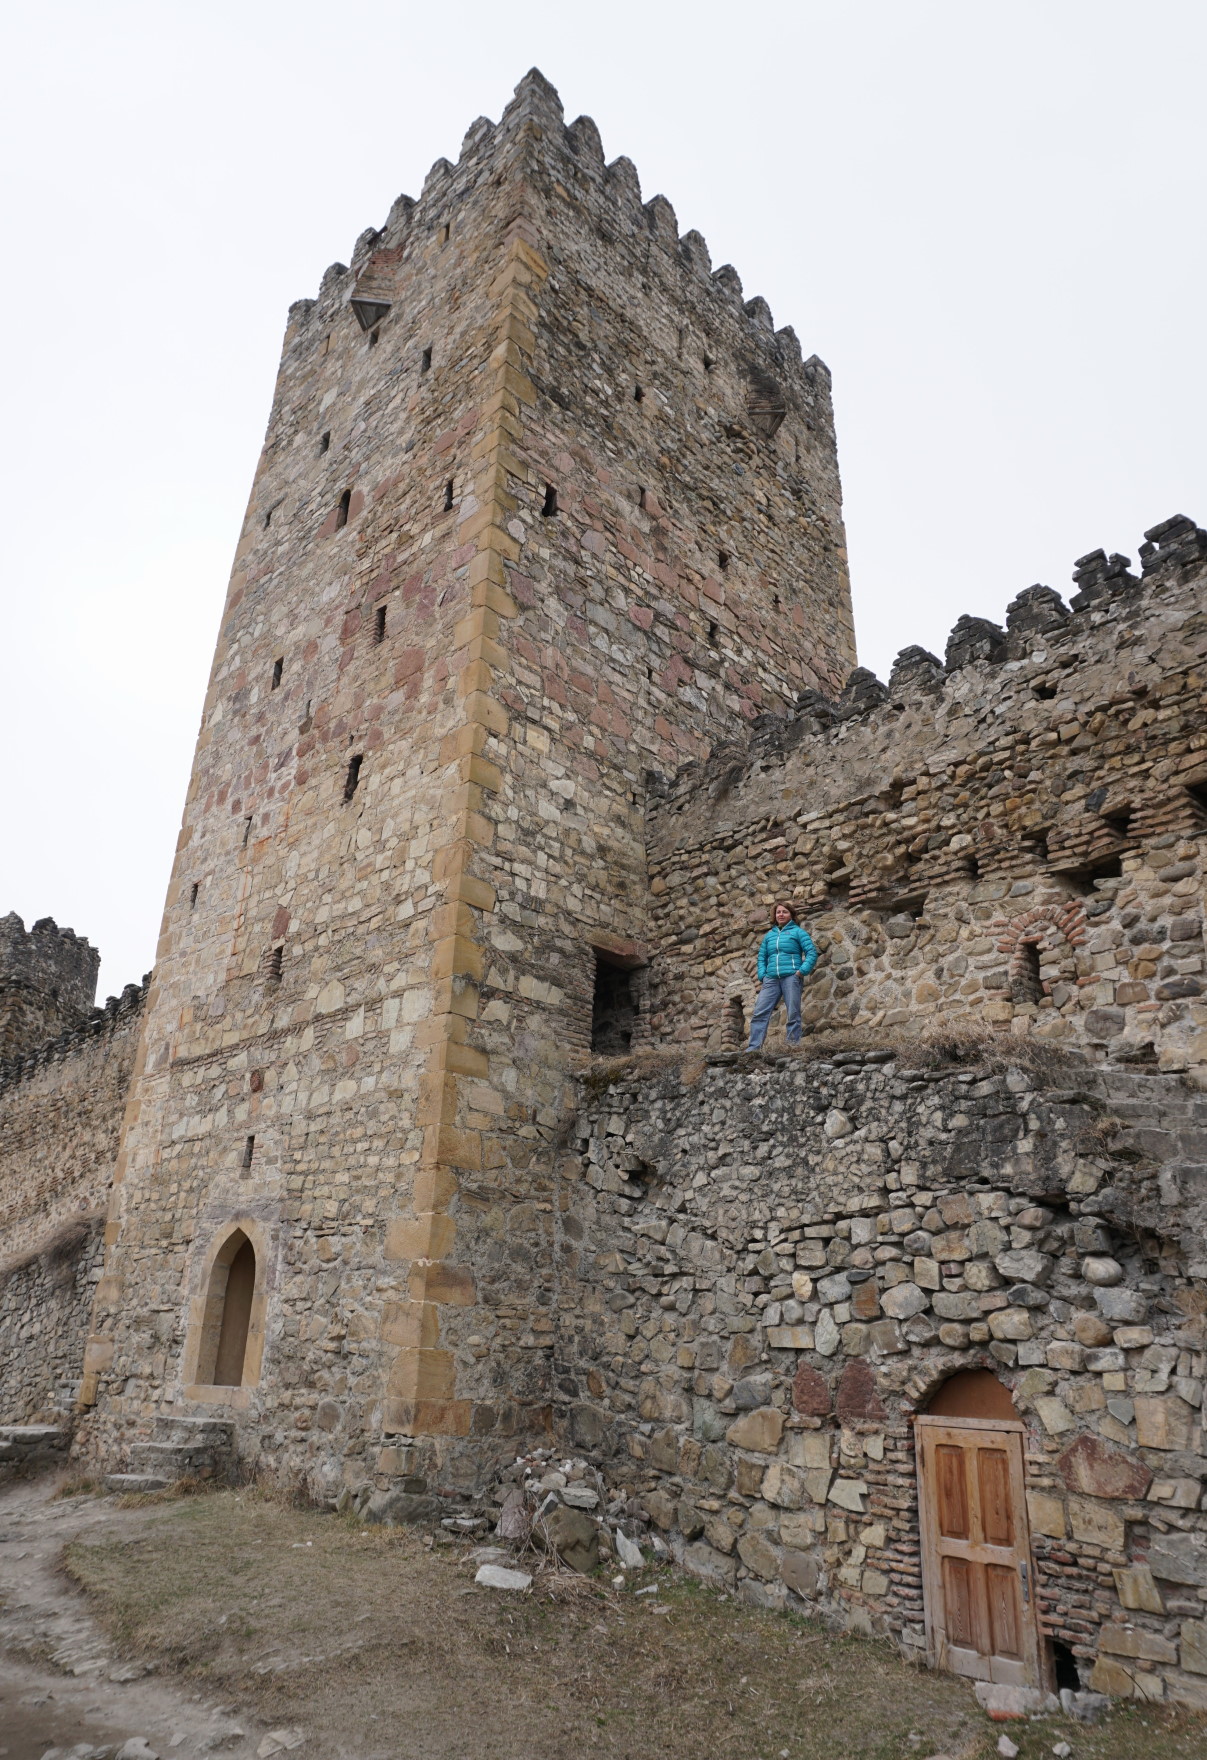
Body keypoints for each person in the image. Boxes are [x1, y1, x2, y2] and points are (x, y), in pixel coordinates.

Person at [747, 902, 817, 1050]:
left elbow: (811, 953)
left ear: (791, 914)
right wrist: (762, 975)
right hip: (771, 979)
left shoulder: (798, 932)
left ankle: (792, 1046)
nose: (781, 914)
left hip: (791, 977)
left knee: (793, 1013)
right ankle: (753, 1048)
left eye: (784, 912)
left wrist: (801, 971)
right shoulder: (769, 936)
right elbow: (762, 957)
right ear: (775, 915)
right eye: (778, 912)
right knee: (759, 1013)